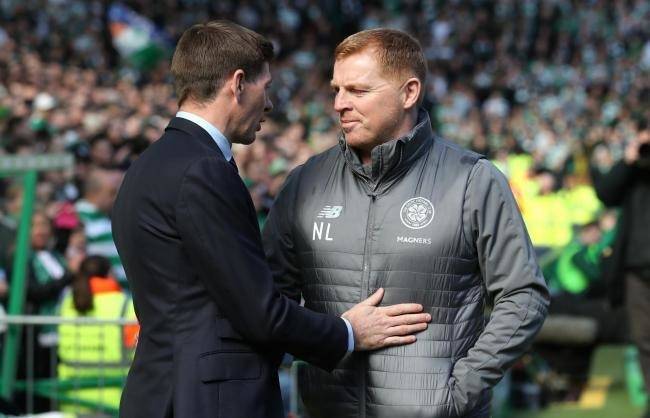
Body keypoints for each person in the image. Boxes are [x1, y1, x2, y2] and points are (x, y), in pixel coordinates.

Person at [111, 20, 431, 418]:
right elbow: (260, 312)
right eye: (266, 87)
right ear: (238, 84)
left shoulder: (149, 165)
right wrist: (348, 332)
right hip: (208, 401)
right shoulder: (202, 171)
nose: (269, 104)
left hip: (160, 392)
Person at [263, 28, 550, 417]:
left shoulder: (472, 180)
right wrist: (329, 341)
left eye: (358, 90)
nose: (340, 104)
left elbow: (524, 295)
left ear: (409, 93)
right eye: (337, 90)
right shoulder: (305, 183)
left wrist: (456, 393)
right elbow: (269, 301)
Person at [591, 121, 650, 418]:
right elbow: (605, 192)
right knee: (643, 338)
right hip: (636, 267)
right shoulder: (633, 169)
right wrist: (629, 158)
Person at [57, 255, 137, 412]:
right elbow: (137, 349)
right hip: (114, 398)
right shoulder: (125, 303)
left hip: (71, 397)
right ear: (109, 274)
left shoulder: (67, 303)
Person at [75, 169, 126, 285]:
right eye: (112, 192)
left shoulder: (104, 218)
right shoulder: (77, 218)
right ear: (94, 192)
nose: (116, 197)